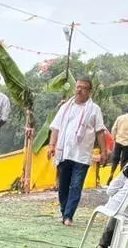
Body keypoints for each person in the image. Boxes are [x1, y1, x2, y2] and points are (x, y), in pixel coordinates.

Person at [46, 77, 109, 226]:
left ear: (89, 91)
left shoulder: (94, 110)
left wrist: (104, 151)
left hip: (81, 154)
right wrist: (51, 145)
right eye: (77, 87)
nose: (79, 90)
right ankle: (64, 212)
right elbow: (56, 127)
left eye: (83, 88)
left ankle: (68, 215)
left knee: (76, 185)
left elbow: (100, 132)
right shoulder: (66, 107)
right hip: (65, 152)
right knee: (63, 185)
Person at [107, 105, 128, 180]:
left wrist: (114, 137)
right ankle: (119, 177)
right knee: (124, 161)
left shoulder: (120, 117)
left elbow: (114, 128)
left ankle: (111, 174)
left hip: (118, 141)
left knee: (115, 159)